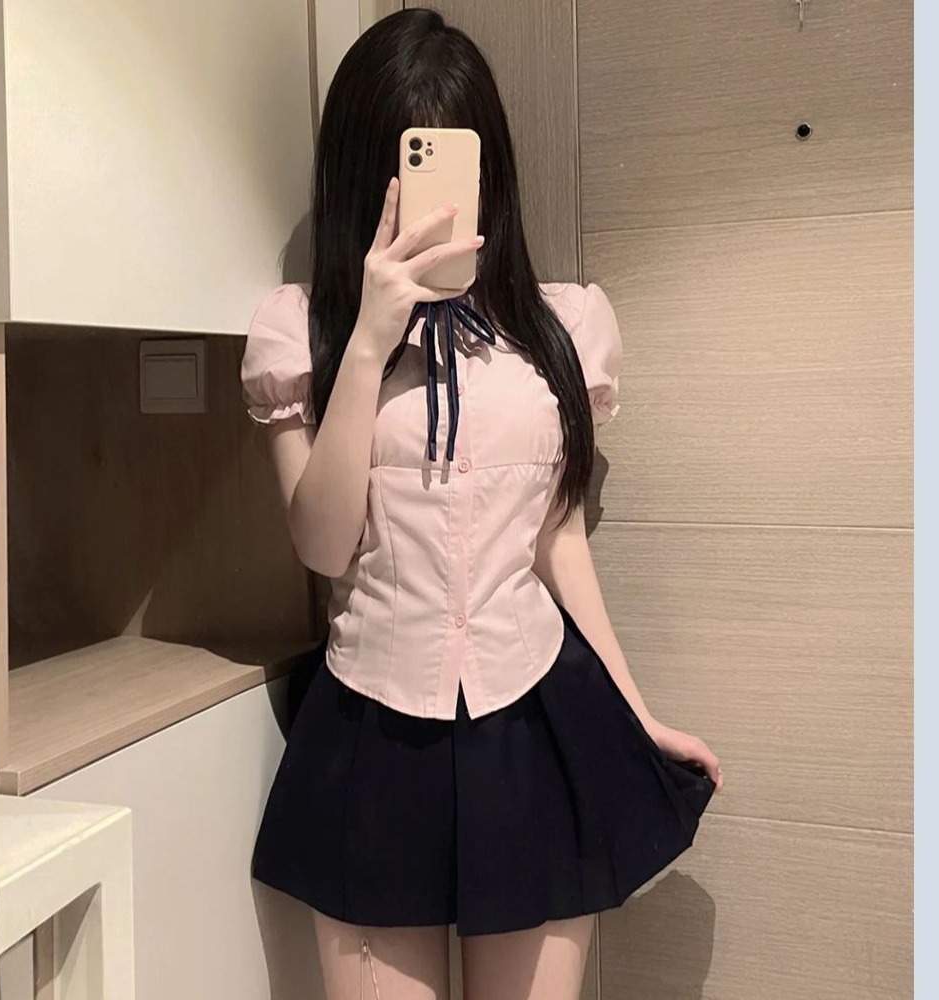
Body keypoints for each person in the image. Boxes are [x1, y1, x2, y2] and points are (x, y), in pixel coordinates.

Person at [240, 9, 723, 999]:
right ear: (360, 176)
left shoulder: (563, 327)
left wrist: (636, 713)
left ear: (488, 167)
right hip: (373, 727)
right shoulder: (304, 332)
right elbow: (324, 547)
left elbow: (560, 543)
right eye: (406, 166)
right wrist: (369, 343)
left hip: (536, 719)